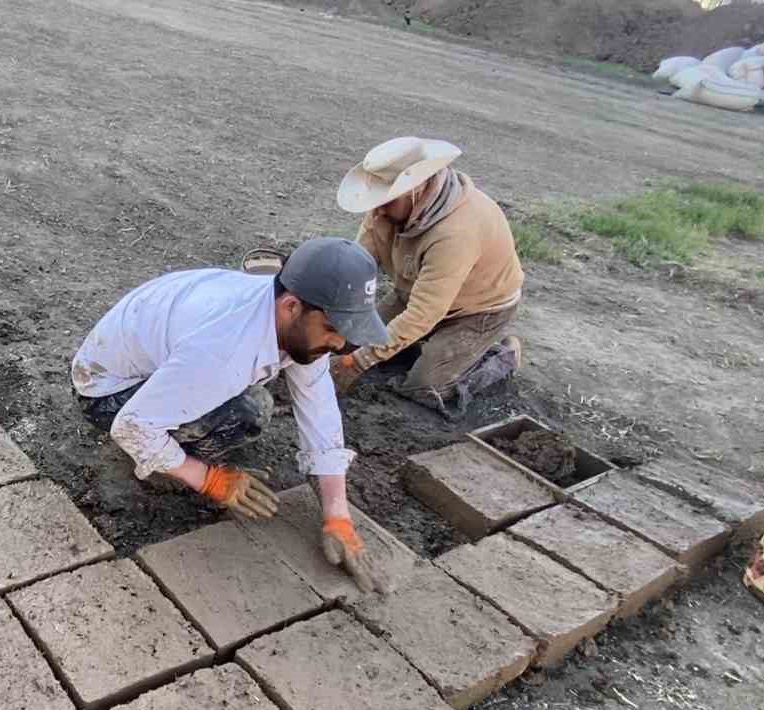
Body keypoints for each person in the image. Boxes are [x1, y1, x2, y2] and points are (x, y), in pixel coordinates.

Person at [71, 238, 390, 590]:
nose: (339, 345)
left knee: (245, 395)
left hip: (159, 357)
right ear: (291, 307)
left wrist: (338, 517)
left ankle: (173, 438)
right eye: (332, 329)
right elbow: (131, 427)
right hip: (107, 393)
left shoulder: (287, 315)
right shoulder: (224, 351)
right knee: (247, 412)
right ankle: (166, 465)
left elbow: (319, 407)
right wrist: (212, 480)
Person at [334, 137, 524, 416]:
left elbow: (423, 313)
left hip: (477, 310)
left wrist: (356, 363)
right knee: (347, 339)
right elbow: (356, 265)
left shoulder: (456, 233)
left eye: (387, 200)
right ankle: (425, 348)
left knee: (422, 386)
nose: (377, 210)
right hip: (412, 292)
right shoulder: (386, 210)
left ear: (416, 188)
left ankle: (500, 358)